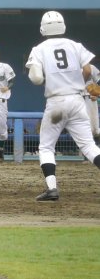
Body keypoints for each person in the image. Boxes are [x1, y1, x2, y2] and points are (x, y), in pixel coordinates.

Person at [26, 11, 100, 201]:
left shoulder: (39, 48)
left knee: (46, 147)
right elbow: (87, 69)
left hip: (56, 103)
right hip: (77, 100)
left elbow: (35, 78)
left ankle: (52, 189)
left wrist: (48, 79)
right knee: (89, 147)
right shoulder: (75, 45)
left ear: (43, 28)